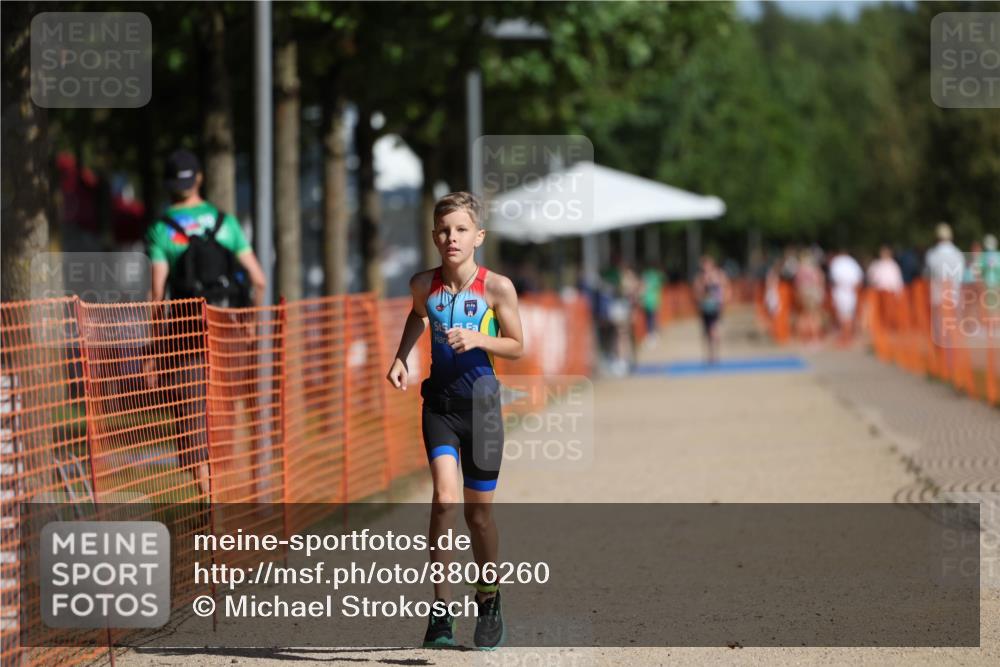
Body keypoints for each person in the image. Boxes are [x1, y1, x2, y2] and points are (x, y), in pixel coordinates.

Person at [386, 192, 524, 650]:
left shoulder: (497, 287)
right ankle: (441, 613)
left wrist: (481, 340)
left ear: (478, 236)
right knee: (444, 501)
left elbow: (517, 344)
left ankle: (489, 597)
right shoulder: (423, 284)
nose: (452, 238)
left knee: (478, 515)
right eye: (444, 230)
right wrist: (402, 357)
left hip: (483, 409)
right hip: (440, 407)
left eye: (461, 229)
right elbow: (416, 316)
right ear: (433, 236)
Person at [143, 149, 267, 498]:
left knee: (193, 420)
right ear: (199, 178)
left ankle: (210, 504)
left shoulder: (160, 231)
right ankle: (258, 491)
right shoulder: (225, 223)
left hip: (188, 337)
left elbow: (157, 296)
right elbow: (258, 279)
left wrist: (155, 348)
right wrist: (250, 326)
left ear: (168, 184)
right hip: (231, 333)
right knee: (246, 408)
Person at [924, 222, 965, 347]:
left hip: (937, 295)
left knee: (938, 326)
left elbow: (927, 274)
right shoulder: (958, 253)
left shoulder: (932, 254)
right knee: (952, 326)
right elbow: (961, 276)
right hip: (954, 295)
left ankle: (941, 357)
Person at [692, 255, 730, 363]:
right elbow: (696, 291)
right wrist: (702, 286)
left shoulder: (719, 275)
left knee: (714, 330)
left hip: (715, 307)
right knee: (706, 332)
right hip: (704, 307)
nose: (705, 268)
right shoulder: (700, 277)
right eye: (703, 266)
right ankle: (709, 353)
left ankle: (715, 354)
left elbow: (726, 287)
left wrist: (724, 301)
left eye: (706, 265)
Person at [828, 248, 864, 345]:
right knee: (848, 314)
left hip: (841, 291)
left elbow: (833, 278)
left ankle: (845, 336)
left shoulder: (837, 262)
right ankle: (847, 335)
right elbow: (859, 278)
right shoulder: (852, 262)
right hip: (850, 292)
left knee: (843, 315)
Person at [640, 262, 664, 345]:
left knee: (650, 318)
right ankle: (652, 334)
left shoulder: (648, 275)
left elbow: (643, 287)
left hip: (650, 301)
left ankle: (653, 334)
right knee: (651, 318)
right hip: (652, 301)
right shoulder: (655, 275)